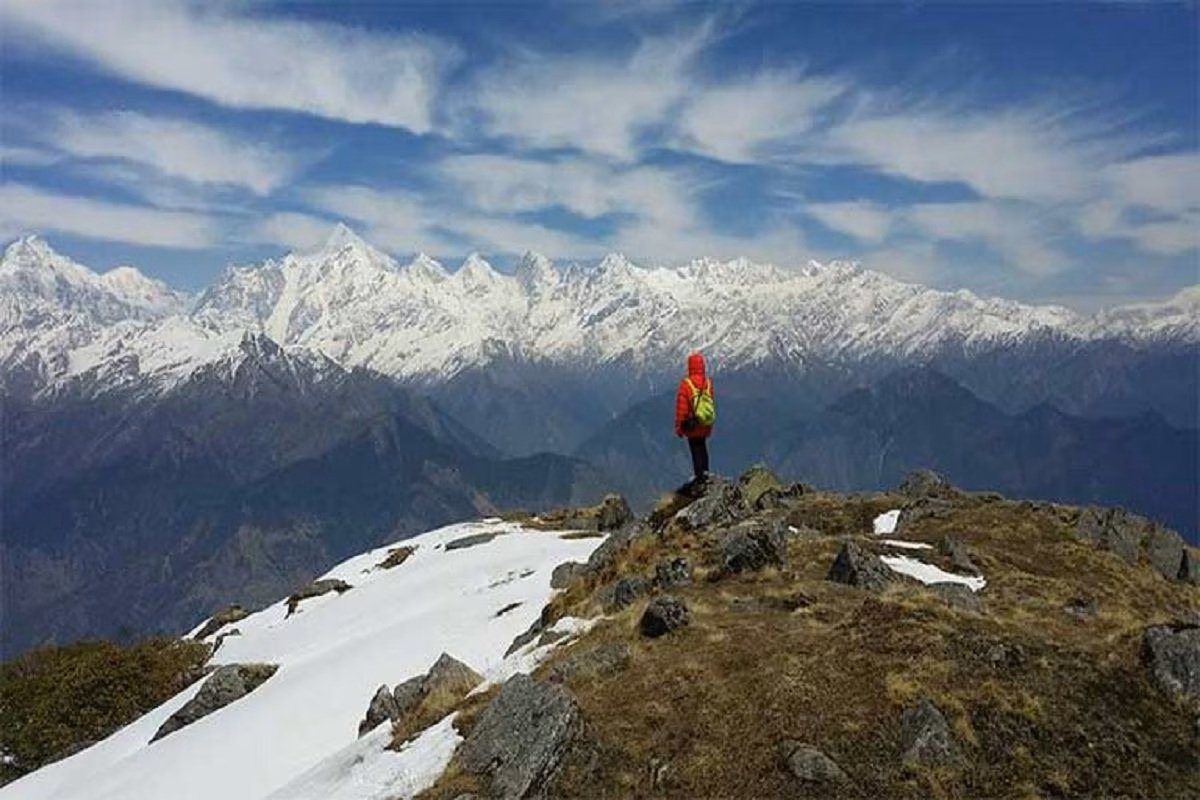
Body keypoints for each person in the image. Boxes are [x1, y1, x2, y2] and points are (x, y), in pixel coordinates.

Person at [674, 351, 715, 483]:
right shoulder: (707, 382)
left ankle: (700, 477)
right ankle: (706, 472)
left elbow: (682, 408)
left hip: (692, 423)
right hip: (705, 421)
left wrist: (679, 427)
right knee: (702, 447)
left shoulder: (686, 384)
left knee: (695, 448)